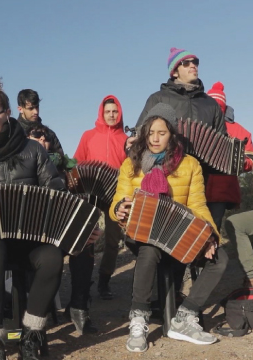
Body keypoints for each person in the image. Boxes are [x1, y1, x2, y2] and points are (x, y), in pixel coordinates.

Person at [0, 73, 100, 359]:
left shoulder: (32, 150)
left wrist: (83, 227)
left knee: (53, 256)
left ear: (7, 114)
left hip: (31, 240)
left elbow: (58, 194)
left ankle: (31, 334)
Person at [110, 103, 228, 352]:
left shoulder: (190, 165)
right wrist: (119, 208)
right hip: (140, 233)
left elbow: (198, 205)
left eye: (161, 133)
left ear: (172, 134)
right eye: (150, 132)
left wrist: (209, 235)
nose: (154, 138)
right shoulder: (131, 164)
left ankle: (184, 316)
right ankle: (139, 318)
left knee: (220, 257)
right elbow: (118, 200)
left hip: (178, 235)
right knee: (150, 249)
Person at [129, 47, 227, 299]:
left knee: (195, 239)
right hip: (163, 180)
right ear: (175, 70)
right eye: (187, 62)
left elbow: (221, 143)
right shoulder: (157, 99)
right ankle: (164, 299)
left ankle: (182, 300)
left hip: (199, 178)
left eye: (195, 61)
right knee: (162, 240)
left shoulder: (210, 104)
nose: (194, 65)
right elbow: (141, 135)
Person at [25, 122, 99, 336]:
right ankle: (37, 307)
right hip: (32, 236)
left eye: (45, 136)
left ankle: (78, 307)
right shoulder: (20, 164)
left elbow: (77, 202)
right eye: (35, 135)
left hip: (58, 230)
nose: (41, 139)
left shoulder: (67, 169)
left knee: (85, 244)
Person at [74, 95, 127, 300]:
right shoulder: (88, 136)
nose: (112, 115)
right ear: (101, 113)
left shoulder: (125, 139)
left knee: (113, 239)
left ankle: (104, 280)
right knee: (86, 238)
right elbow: (77, 162)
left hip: (116, 194)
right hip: (92, 193)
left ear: (120, 113)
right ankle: (84, 282)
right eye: (108, 112)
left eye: (115, 111)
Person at [205, 82, 253, 230]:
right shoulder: (197, 124)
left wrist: (237, 160)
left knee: (212, 231)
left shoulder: (238, 131)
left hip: (221, 190)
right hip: (196, 187)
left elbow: (251, 160)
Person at [17, 89, 64, 159]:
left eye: (37, 107)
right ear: (20, 109)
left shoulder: (49, 134)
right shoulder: (12, 133)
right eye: (31, 108)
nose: (35, 112)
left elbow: (62, 160)